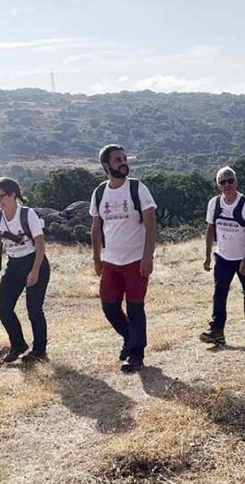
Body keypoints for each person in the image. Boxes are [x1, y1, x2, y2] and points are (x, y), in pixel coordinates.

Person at [90, 144, 157, 373]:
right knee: (109, 306)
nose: (123, 162)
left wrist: (148, 257)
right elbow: (96, 227)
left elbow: (150, 224)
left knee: (135, 307)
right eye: (118, 159)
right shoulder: (100, 192)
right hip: (111, 261)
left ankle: (136, 355)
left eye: (124, 158)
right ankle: (131, 339)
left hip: (135, 260)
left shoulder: (138, 189)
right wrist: (97, 258)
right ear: (106, 165)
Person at [0, 177, 51, 363]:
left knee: (34, 309)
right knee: (3, 307)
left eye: (1, 197)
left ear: (13, 195)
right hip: (14, 265)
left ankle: (39, 350)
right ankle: (18, 345)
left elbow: (40, 244)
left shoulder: (27, 214)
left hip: (34, 262)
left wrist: (35, 270)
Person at [200, 166, 245, 348]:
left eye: (230, 181)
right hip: (223, 256)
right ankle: (217, 331)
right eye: (222, 182)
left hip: (244, 256)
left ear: (236, 182)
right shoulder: (214, 204)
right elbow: (210, 229)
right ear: (218, 186)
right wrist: (208, 255)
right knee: (219, 293)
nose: (227, 185)